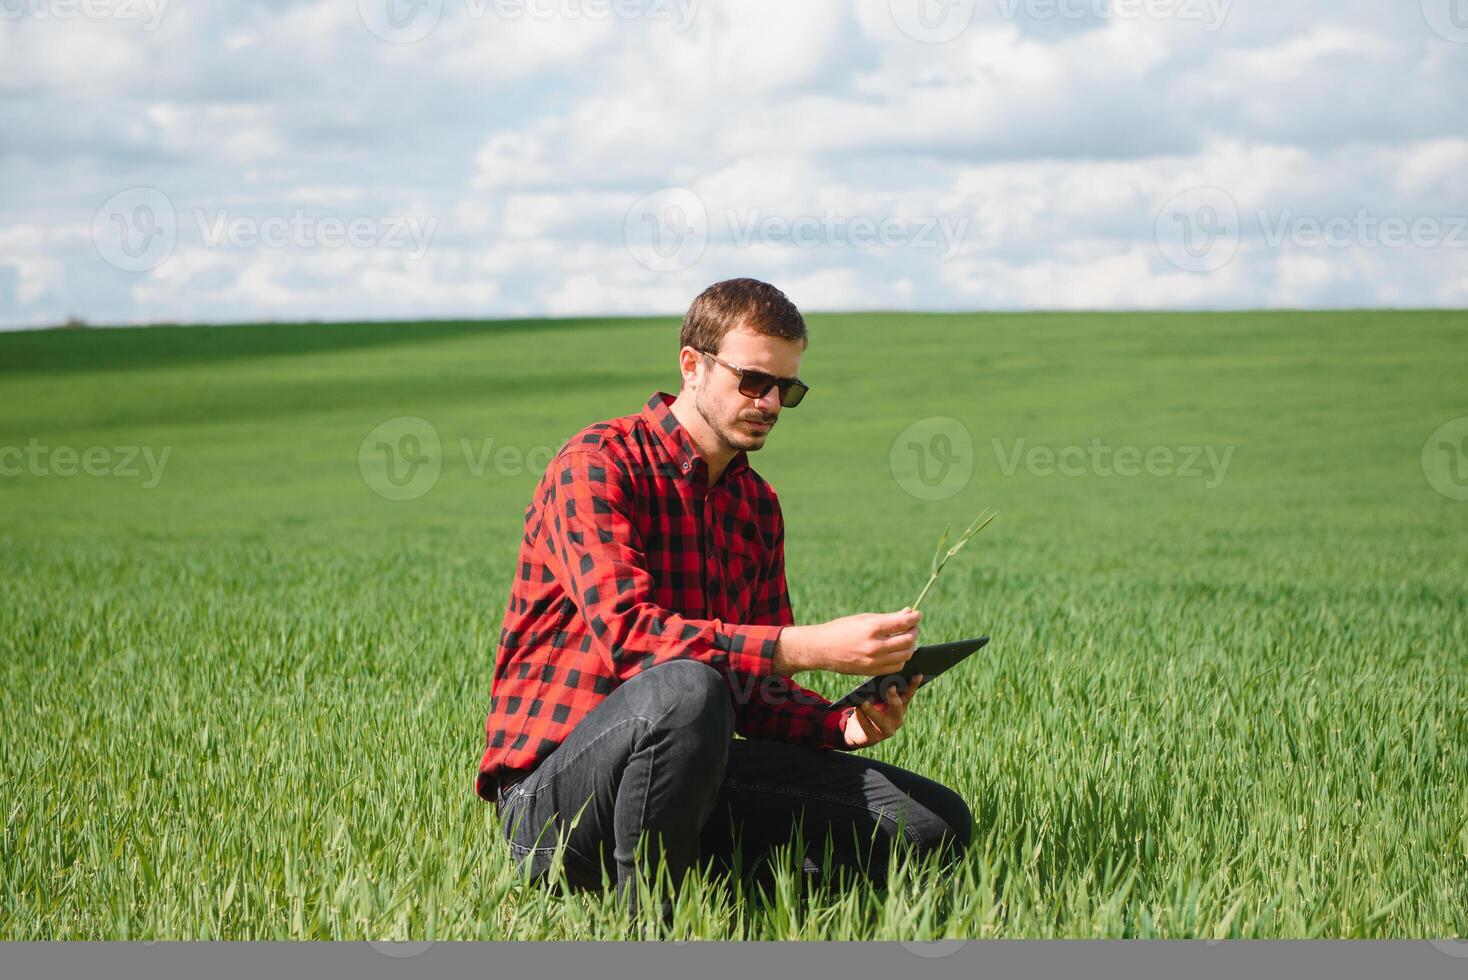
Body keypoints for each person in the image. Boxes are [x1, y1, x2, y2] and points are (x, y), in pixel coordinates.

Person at [475, 277, 971, 917]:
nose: (768, 402)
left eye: (786, 390)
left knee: (933, 823)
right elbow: (631, 638)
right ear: (692, 365)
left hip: (685, 777)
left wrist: (839, 723)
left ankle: (748, 907)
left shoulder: (756, 506)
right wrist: (809, 646)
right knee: (685, 688)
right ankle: (651, 927)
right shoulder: (599, 462)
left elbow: (753, 693)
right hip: (552, 803)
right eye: (753, 381)